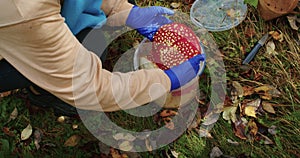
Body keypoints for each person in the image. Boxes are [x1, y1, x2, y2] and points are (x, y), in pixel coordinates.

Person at [0, 0, 204, 116]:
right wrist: (167, 80)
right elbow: (89, 87)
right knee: (92, 47)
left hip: (27, 24)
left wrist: (123, 10)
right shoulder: (24, 8)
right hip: (16, 31)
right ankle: (42, 91)